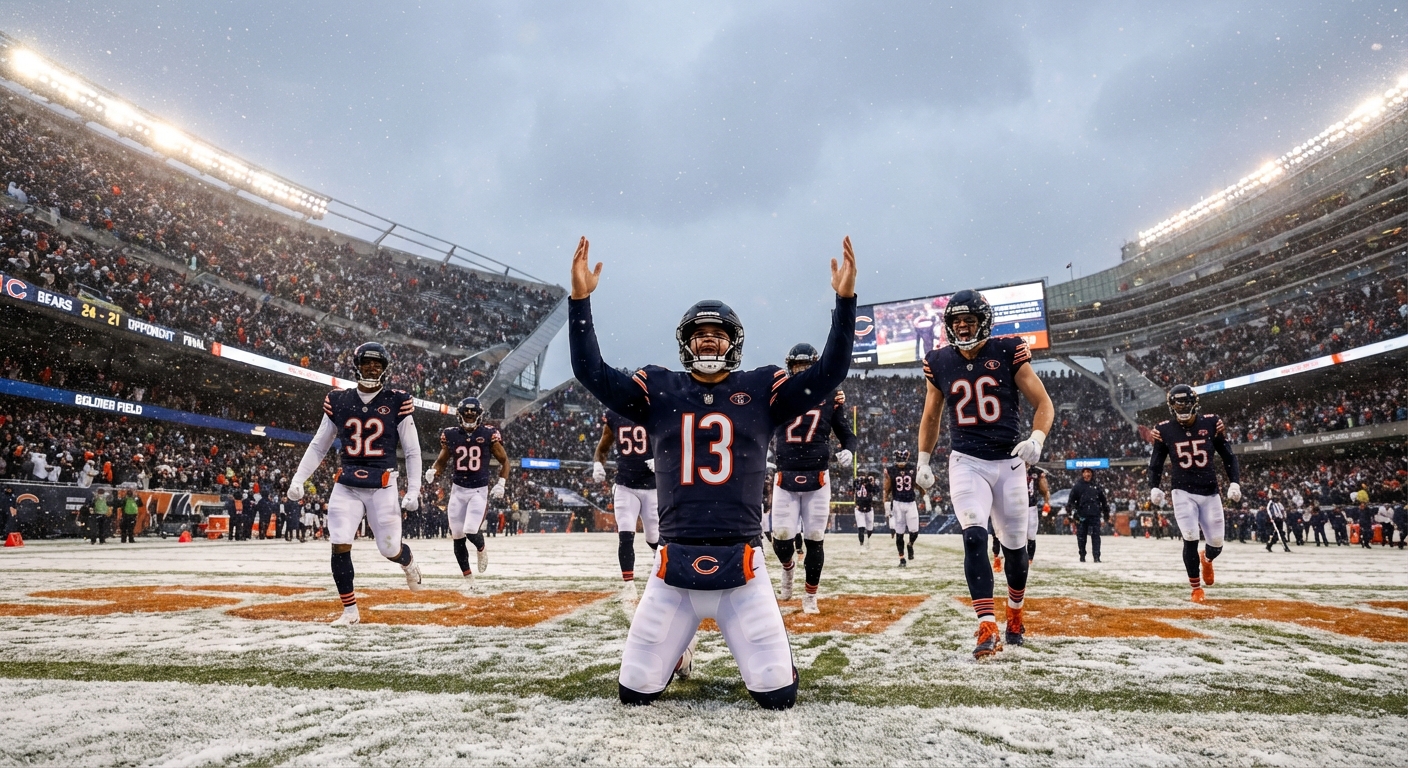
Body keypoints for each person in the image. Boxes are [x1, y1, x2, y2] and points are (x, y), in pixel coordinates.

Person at [568, 234, 856, 710]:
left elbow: (830, 371)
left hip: (743, 563)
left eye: (718, 333)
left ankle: (764, 658)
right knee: (635, 690)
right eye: (699, 333)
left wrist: (844, 302)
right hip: (673, 565)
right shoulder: (658, 388)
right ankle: (679, 650)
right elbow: (589, 371)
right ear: (684, 343)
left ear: (734, 343)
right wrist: (581, 301)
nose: (708, 339)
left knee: (776, 695)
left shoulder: (762, 388)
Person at [914, 289, 1055, 659]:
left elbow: (1043, 402)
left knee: (1016, 550)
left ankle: (1015, 613)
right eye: (957, 321)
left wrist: (1037, 439)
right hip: (967, 461)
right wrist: (923, 460)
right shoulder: (939, 361)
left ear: (984, 322)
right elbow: (931, 415)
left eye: (969, 320)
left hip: (1009, 462)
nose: (962, 327)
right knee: (974, 536)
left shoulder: (1008, 350)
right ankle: (987, 624)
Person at [286, 342, 425, 626]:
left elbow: (412, 451)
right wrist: (299, 478)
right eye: (367, 363)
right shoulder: (339, 400)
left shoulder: (397, 400)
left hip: (383, 483)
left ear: (385, 369)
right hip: (347, 483)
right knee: (339, 543)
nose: (372, 368)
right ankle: (350, 611)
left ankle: (407, 560)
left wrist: (414, 490)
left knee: (389, 549)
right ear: (357, 366)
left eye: (377, 364)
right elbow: (319, 445)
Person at [768, 343, 856, 614]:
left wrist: (849, 449)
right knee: (781, 539)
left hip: (817, 475)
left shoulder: (830, 395)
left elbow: (846, 433)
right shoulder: (778, 393)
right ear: (790, 367)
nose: (802, 371)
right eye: (798, 367)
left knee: (815, 538)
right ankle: (788, 568)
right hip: (785, 474)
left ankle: (810, 596)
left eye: (806, 366)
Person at [1148, 384, 1241, 603]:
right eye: (1178, 404)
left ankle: (1206, 559)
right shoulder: (1164, 430)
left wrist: (1234, 482)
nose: (1182, 408)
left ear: (1194, 404)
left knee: (1216, 543)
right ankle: (1196, 588)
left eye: (1186, 403)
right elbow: (1156, 462)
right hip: (1182, 490)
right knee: (1190, 536)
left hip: (1209, 490)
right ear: (1171, 406)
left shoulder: (1211, 423)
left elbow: (1228, 456)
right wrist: (1154, 486)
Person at [425, 396, 508, 590]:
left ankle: (481, 548)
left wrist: (501, 483)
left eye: (473, 412)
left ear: (479, 415)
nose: (469, 415)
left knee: (471, 530)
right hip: (458, 490)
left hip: (478, 490)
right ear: (459, 415)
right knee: (457, 535)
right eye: (466, 412)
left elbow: (504, 460)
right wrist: (434, 470)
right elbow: (442, 460)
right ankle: (469, 580)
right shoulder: (451, 434)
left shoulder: (488, 434)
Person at [592, 406, 659, 610]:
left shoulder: (655, 410)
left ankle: (661, 579)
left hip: (652, 487)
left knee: (654, 539)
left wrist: (662, 459)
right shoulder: (615, 414)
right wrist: (597, 464)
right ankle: (629, 585)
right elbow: (603, 447)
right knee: (626, 535)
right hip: (625, 486)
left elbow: (674, 441)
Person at [884, 450, 920, 567]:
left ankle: (910, 544)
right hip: (898, 503)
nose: (901, 463)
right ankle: (902, 558)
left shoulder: (913, 468)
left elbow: (917, 484)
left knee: (914, 531)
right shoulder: (891, 470)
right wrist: (886, 504)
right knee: (899, 533)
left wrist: (925, 497)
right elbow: (887, 489)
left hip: (911, 502)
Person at [1068, 468, 1108, 564]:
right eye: (1085, 472)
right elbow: (1071, 502)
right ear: (1082, 474)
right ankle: (1082, 555)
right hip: (1081, 515)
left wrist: (1106, 514)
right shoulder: (1077, 486)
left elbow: (1104, 501)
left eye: (1089, 472)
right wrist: (1074, 513)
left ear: (1092, 474)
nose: (1087, 474)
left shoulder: (1097, 487)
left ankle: (1096, 557)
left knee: (1096, 537)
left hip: (1095, 515)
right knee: (1081, 537)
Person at [1025, 466, 1050, 563]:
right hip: (1016, 506)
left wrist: (1047, 503)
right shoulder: (1013, 466)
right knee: (1017, 534)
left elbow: (1045, 490)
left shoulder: (1036, 472)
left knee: (1031, 534)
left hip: (1031, 506)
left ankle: (1029, 558)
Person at [852, 471, 878, 547]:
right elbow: (853, 491)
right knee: (861, 528)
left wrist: (871, 483)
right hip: (859, 509)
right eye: (860, 476)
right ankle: (861, 544)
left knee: (870, 529)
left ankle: (867, 540)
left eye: (863, 476)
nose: (862, 478)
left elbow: (876, 491)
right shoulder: (856, 483)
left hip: (869, 509)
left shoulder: (868, 485)